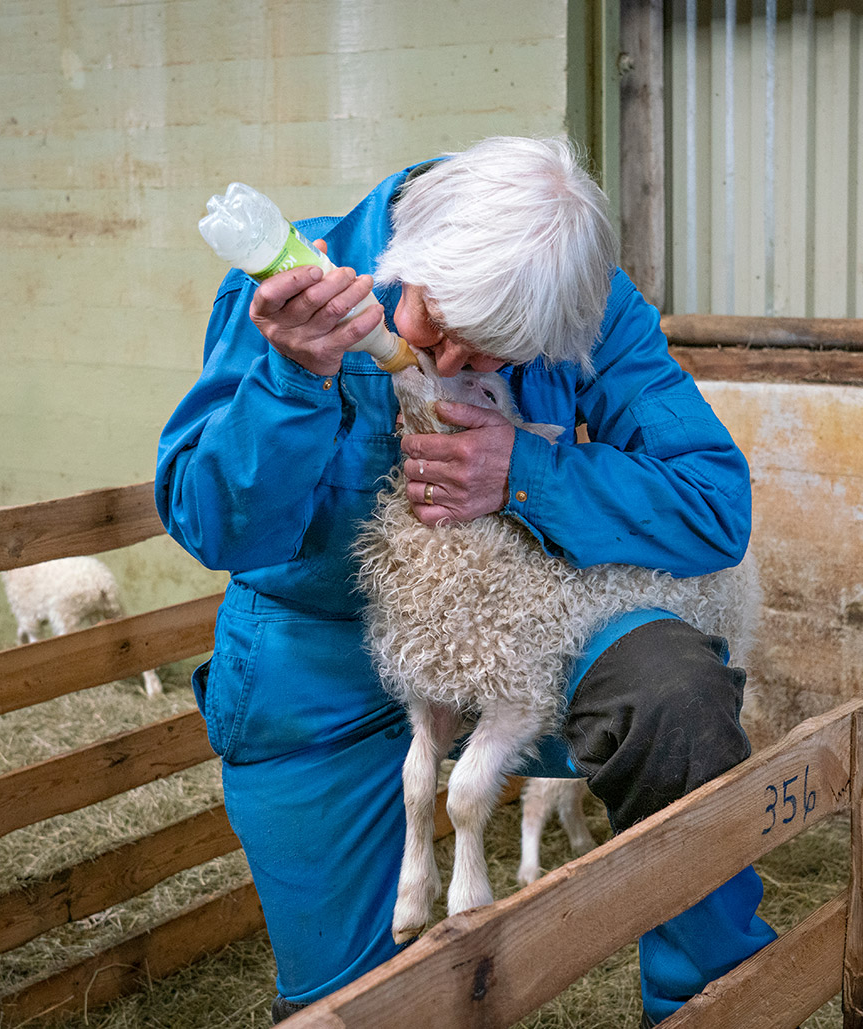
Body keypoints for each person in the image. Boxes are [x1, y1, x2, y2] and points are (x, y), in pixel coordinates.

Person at [156, 135, 776, 1026]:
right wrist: (293, 377)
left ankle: (708, 1003)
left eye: (490, 358)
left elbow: (716, 505)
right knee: (354, 1006)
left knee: (673, 695)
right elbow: (212, 525)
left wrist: (526, 472)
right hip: (324, 654)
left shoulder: (584, 303)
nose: (447, 365)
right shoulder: (293, 294)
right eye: (435, 325)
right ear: (402, 262)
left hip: (525, 618)